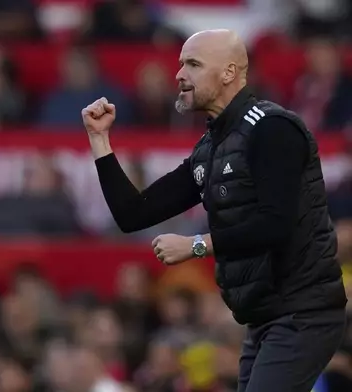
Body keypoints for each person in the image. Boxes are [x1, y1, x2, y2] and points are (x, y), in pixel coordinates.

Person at [82, 29, 347, 392]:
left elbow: (276, 224)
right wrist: (100, 140)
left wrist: (195, 245)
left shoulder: (273, 129)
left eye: (192, 64)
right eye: (179, 65)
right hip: (263, 317)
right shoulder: (211, 147)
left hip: (304, 313)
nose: (178, 75)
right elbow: (133, 215)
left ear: (228, 72)